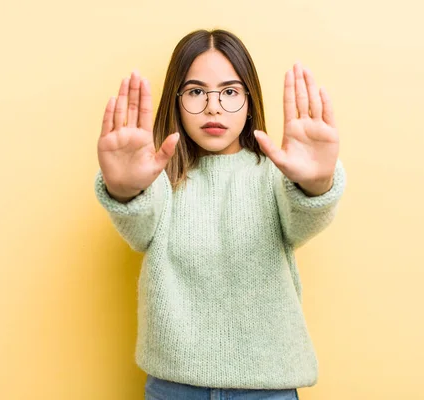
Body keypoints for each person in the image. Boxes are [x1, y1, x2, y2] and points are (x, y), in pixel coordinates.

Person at [94, 28, 346, 399]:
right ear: (176, 101)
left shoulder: (277, 175)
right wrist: (126, 189)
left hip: (267, 389)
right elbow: (138, 225)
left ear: (249, 101)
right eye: (196, 92)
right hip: (174, 388)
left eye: (229, 92)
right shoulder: (160, 178)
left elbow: (305, 216)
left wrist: (317, 182)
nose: (213, 107)